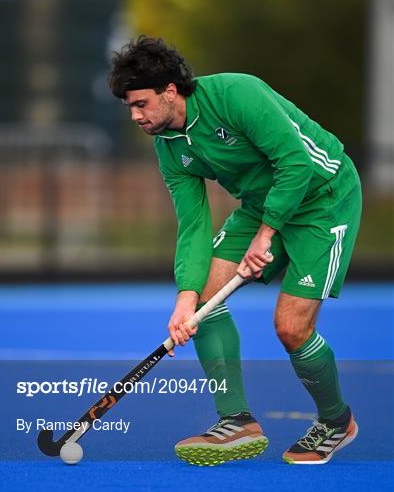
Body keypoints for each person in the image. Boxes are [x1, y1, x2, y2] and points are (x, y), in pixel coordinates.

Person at [108, 36, 362, 466]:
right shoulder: (169, 145)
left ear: (171, 90)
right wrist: (185, 300)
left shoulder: (235, 94)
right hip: (263, 206)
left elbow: (295, 163)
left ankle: (336, 421)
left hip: (324, 199)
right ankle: (236, 421)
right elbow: (192, 227)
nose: (136, 116)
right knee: (205, 296)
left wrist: (267, 234)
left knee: (290, 328)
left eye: (141, 104)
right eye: (130, 107)